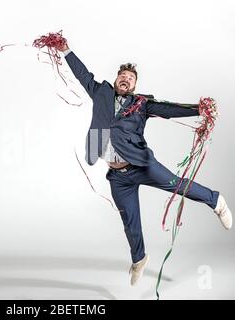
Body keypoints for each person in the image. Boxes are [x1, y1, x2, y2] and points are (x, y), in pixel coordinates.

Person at [55, 41, 232, 286]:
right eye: (122, 76)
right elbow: (82, 73)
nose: (125, 79)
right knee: (129, 221)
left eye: (130, 78)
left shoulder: (141, 104)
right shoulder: (101, 92)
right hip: (117, 177)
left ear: (135, 85)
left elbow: (169, 109)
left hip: (142, 165)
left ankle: (216, 200)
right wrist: (65, 49)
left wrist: (200, 109)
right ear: (116, 79)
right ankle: (139, 259)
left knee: (177, 185)